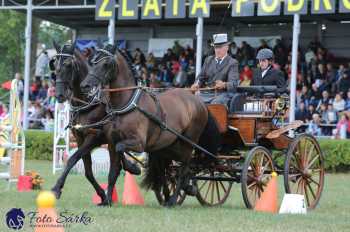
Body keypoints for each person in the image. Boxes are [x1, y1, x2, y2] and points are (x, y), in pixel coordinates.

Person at [191, 33, 239, 105]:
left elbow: (233, 83)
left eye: (220, 47)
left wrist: (224, 84)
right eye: (216, 47)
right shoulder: (208, 60)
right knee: (191, 101)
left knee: (216, 103)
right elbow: (200, 77)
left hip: (223, 94)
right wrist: (196, 84)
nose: (217, 50)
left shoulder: (232, 62)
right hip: (207, 93)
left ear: (227, 47)